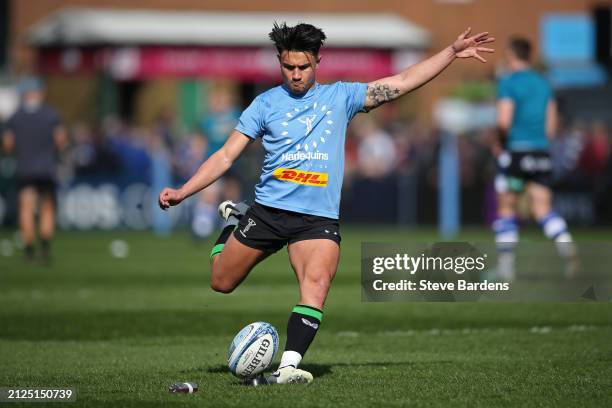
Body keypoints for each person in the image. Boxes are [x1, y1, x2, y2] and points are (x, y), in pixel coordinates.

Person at [159, 22, 494, 384]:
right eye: (289, 67)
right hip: (268, 213)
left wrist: (450, 53)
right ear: (279, 62)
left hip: (316, 219)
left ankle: (287, 368)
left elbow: (401, 83)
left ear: (318, 61)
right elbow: (225, 156)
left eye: (303, 67)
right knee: (220, 281)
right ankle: (232, 222)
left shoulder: (341, 97)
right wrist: (183, 191)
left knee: (316, 284)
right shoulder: (265, 104)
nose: (297, 74)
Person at [493, 37, 577, 281]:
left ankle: (506, 267)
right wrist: (542, 145)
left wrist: (500, 143)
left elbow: (504, 121)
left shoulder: (508, 83)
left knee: (507, 207)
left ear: (510, 55)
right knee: (543, 208)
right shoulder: (543, 83)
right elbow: (551, 123)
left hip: (516, 152)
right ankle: (566, 246)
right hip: (541, 152)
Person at [2, 77, 67, 262]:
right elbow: (61, 140)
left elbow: (8, 144)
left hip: (25, 168)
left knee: (26, 207)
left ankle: (29, 249)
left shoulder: (15, 117)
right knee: (47, 206)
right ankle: (45, 246)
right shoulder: (50, 114)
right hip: (46, 168)